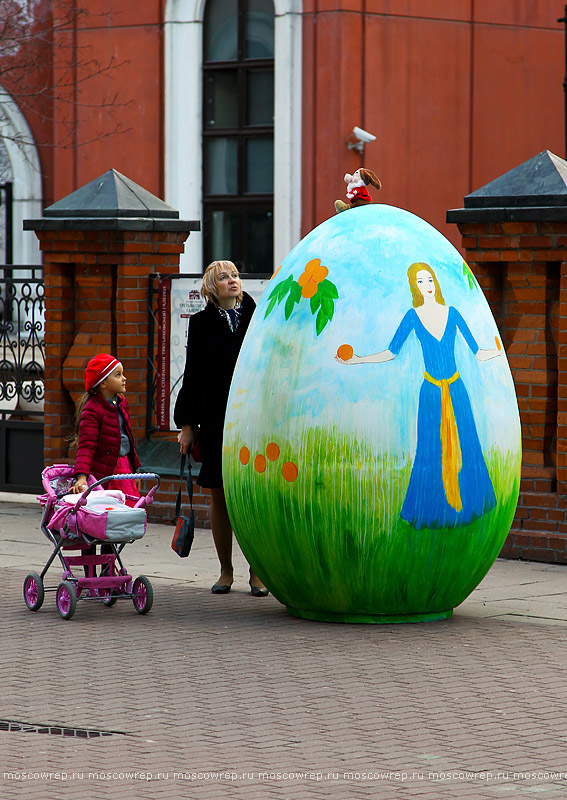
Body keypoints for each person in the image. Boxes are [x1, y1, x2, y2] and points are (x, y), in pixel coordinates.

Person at [337, 262, 500, 530]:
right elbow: (392, 352)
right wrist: (357, 360)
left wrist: (497, 352)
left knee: (468, 445)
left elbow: (478, 352)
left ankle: (471, 506)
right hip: (431, 391)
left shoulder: (453, 313)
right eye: (420, 281)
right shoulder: (413, 316)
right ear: (415, 287)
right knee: (430, 450)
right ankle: (431, 512)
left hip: (457, 390)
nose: (427, 285)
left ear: (436, 282)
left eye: (429, 279)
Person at [174, 260, 268, 596]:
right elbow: (193, 374)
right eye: (224, 277)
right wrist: (186, 424)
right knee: (220, 495)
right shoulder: (200, 324)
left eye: (236, 276)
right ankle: (226, 570)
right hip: (216, 420)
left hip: (251, 417)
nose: (233, 281)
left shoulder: (256, 315)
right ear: (212, 287)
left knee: (252, 495)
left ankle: (257, 572)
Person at [71, 353, 141, 499]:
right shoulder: (92, 410)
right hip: (107, 471)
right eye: (118, 375)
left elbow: (127, 439)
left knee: (127, 508)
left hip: (125, 467)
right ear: (103, 383)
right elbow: (86, 446)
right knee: (112, 510)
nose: (124, 378)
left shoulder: (122, 404)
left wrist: (135, 470)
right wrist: (82, 477)